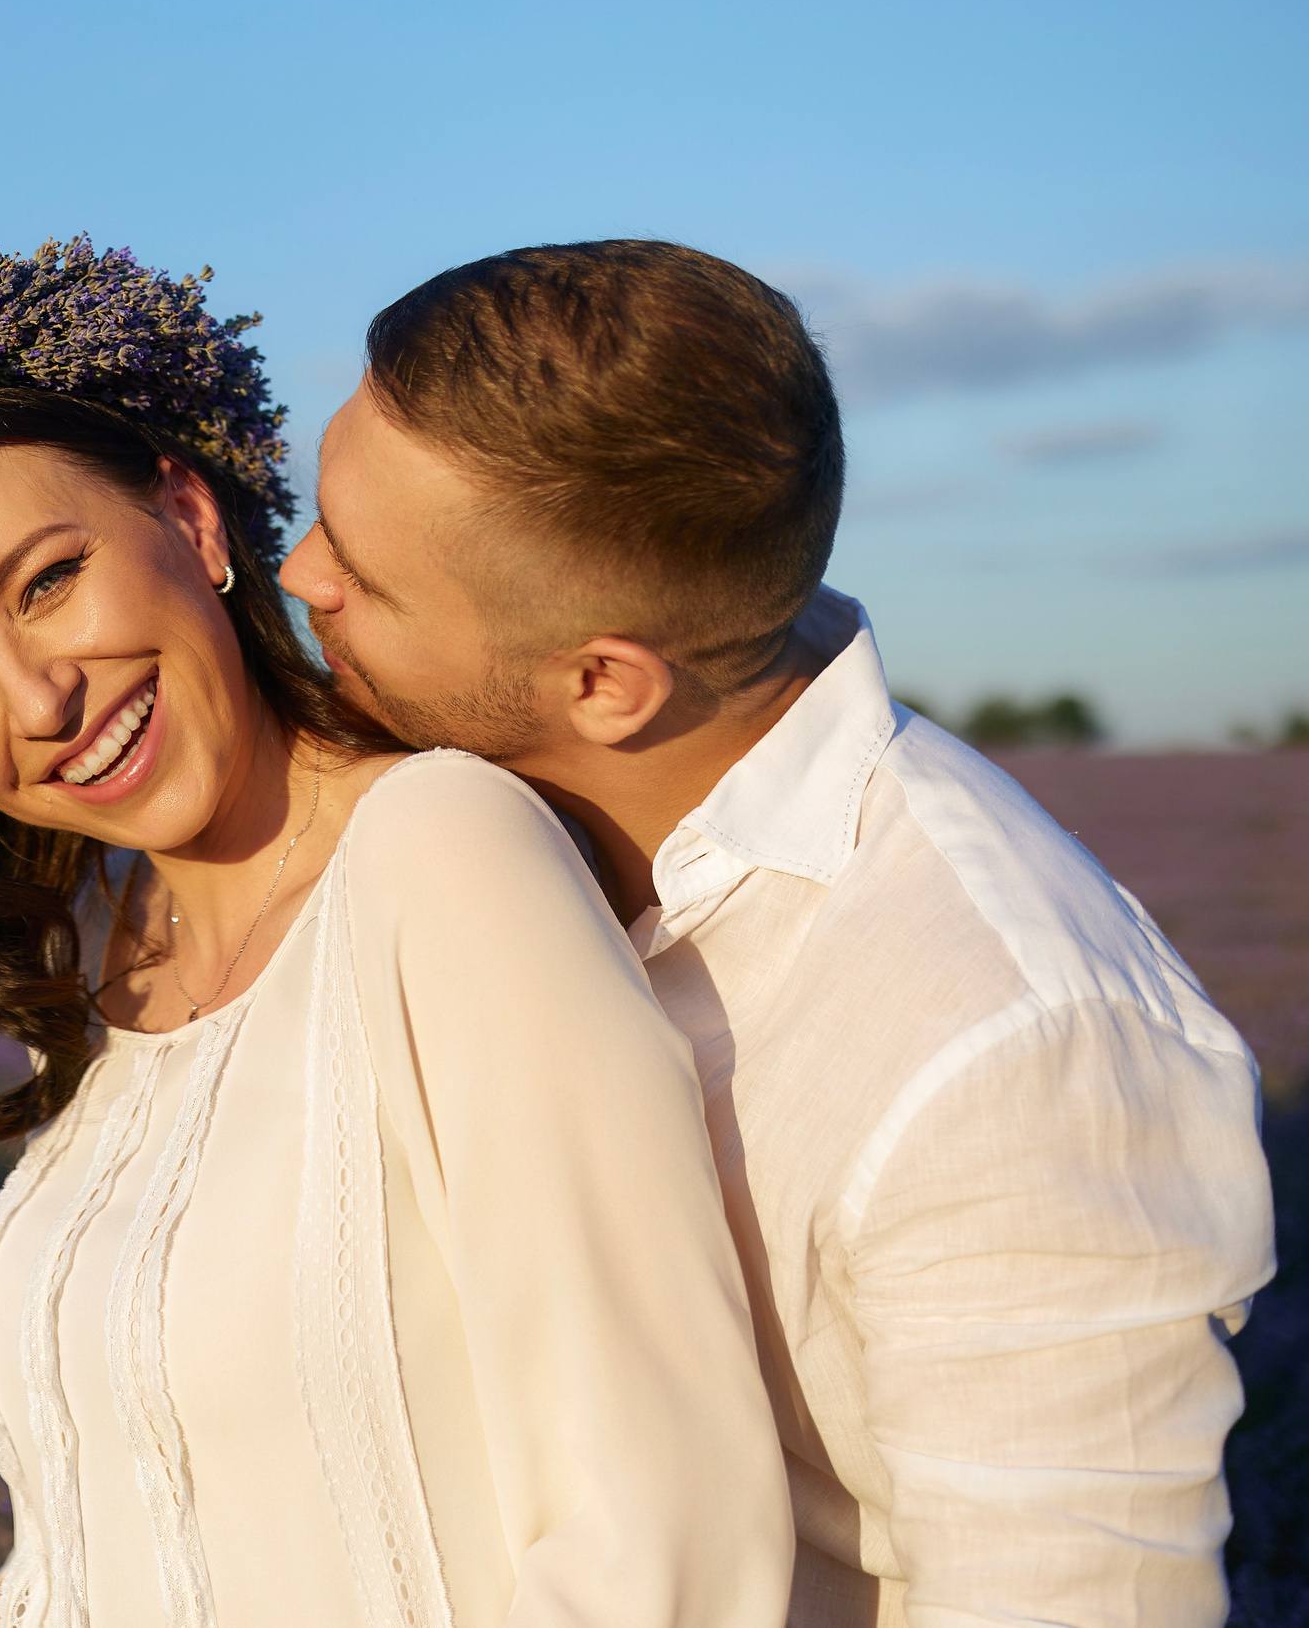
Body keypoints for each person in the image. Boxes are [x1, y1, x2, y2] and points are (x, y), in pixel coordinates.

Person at [0, 233, 794, 1628]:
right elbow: (95, 1530)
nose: (37, 700)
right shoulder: (111, 961)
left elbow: (663, 1532)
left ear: (193, 522)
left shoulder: (441, 855)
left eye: (47, 582)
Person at [280, 239, 1278, 1628]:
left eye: (363, 576)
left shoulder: (1013, 1049)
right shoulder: (471, 825)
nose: (300, 573)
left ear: (604, 684)